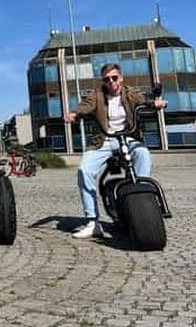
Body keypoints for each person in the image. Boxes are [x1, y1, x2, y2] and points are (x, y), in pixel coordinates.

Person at [64, 63, 166, 239]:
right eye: (107, 79)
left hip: (127, 138)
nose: (111, 82)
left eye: (114, 77)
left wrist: (155, 103)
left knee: (142, 153)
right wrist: (74, 114)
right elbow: (85, 106)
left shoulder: (129, 93)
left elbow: (143, 100)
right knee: (84, 171)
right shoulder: (97, 95)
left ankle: (141, 199)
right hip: (103, 141)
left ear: (121, 78)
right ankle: (92, 222)